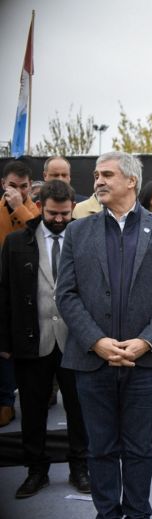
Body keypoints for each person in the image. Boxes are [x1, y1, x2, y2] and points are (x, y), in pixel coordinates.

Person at [56, 151, 152, 518]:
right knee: (100, 447)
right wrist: (96, 341)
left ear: (131, 181)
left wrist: (146, 341)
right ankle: (107, 513)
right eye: (97, 174)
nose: (98, 180)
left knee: (139, 447)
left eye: (107, 174)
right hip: (92, 360)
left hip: (145, 363)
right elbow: (66, 294)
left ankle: (138, 512)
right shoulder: (78, 231)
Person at [0, 180, 90, 498]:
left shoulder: (86, 238)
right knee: (34, 411)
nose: (60, 219)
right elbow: (4, 293)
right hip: (31, 341)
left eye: (66, 214)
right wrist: (5, 342)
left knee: (79, 410)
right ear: (40, 207)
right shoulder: (15, 243)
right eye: (53, 213)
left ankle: (80, 467)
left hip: (77, 342)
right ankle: (37, 471)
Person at [1, 160, 40, 428]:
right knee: (2, 346)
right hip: (2, 287)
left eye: (23, 187)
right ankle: (5, 401)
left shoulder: (34, 210)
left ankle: (32, 398)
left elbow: (40, 236)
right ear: (3, 184)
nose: (18, 191)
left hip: (31, 289)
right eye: (12, 186)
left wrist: (19, 207)